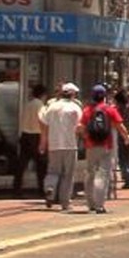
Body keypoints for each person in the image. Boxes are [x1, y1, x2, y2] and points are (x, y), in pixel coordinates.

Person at [78, 84, 129, 214]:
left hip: (91, 146)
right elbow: (120, 126)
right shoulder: (109, 110)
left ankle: (90, 203)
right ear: (104, 96)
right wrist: (126, 138)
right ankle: (99, 205)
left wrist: (85, 137)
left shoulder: (87, 110)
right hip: (106, 146)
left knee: (90, 173)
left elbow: (79, 127)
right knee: (103, 174)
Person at [39, 81, 82, 211]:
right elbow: (80, 127)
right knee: (67, 175)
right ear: (72, 94)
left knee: (53, 171)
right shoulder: (75, 108)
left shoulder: (51, 107)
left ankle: (50, 188)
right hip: (70, 145)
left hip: (54, 145)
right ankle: (65, 203)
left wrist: (43, 142)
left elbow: (44, 126)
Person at [13, 82, 47, 196]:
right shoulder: (40, 105)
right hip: (36, 135)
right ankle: (41, 189)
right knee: (40, 165)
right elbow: (42, 122)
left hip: (25, 134)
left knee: (21, 163)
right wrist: (44, 138)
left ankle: (17, 188)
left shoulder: (28, 104)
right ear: (43, 94)